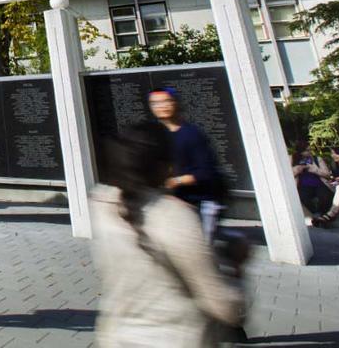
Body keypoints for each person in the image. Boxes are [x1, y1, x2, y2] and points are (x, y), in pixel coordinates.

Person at [91, 121, 245, 346]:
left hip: (115, 338)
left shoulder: (101, 203)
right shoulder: (172, 216)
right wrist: (236, 269)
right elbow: (223, 305)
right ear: (165, 166)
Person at [147, 87, 224, 241]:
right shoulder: (156, 135)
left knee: (202, 252)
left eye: (165, 101)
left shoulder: (192, 134)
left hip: (200, 203)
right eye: (155, 103)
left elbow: (205, 172)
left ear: (175, 103)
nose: (161, 106)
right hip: (174, 204)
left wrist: (175, 181)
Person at [291, 140, 334, 218]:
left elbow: (327, 175)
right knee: (303, 197)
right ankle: (315, 213)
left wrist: (315, 170)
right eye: (307, 150)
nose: (310, 151)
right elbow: (289, 174)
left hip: (319, 184)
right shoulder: (293, 159)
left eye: (310, 149)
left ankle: (323, 215)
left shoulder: (317, 159)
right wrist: (298, 169)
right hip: (303, 185)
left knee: (325, 197)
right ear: (301, 152)